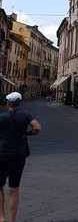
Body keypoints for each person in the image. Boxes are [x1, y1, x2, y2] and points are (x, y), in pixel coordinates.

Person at [0, 92, 39, 222]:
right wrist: (27, 134)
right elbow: (37, 128)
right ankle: (12, 221)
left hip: (3, 154)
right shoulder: (26, 114)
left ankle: (1, 218)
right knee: (14, 189)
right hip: (19, 154)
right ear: (19, 103)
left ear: (7, 103)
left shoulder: (2, 117)